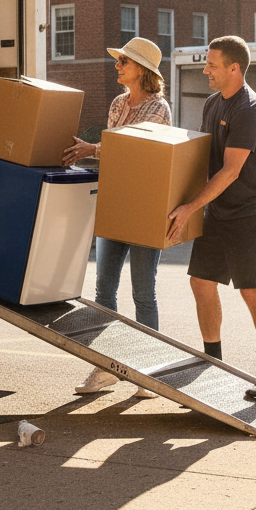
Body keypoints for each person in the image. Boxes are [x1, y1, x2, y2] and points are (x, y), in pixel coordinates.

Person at [167, 36, 256, 400]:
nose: (205, 71)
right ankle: (212, 363)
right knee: (201, 282)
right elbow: (204, 159)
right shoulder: (212, 103)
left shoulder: (249, 110)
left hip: (251, 213)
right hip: (220, 210)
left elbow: (231, 170)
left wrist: (190, 207)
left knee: (252, 292)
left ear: (234, 68)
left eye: (212, 65)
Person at [62, 37, 171, 396]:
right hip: (114, 202)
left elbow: (133, 149)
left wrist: (94, 148)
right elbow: (114, 153)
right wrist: (97, 152)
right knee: (103, 291)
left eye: (123, 62)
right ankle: (106, 367)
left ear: (141, 70)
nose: (117, 66)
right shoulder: (117, 103)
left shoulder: (159, 109)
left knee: (143, 293)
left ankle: (148, 370)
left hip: (143, 208)